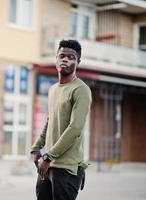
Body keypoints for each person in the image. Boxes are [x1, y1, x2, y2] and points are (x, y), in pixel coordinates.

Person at [30, 39, 92, 200]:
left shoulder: (81, 90)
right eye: (61, 56)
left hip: (66, 168)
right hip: (48, 165)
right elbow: (51, 121)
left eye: (71, 57)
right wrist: (36, 148)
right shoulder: (53, 89)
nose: (65, 59)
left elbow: (75, 128)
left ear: (78, 61)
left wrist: (48, 156)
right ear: (56, 59)